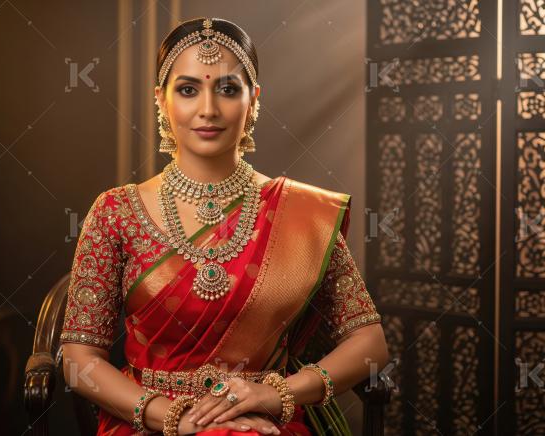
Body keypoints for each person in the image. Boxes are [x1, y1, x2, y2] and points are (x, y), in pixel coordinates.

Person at [60, 17, 389, 435]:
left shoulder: (301, 212)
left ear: (254, 99)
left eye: (229, 89)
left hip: (264, 423)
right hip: (150, 423)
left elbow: (370, 344)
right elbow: (78, 358)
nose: (208, 109)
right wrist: (174, 417)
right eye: (188, 89)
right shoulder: (115, 211)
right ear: (161, 99)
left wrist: (276, 394)